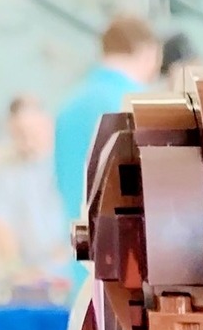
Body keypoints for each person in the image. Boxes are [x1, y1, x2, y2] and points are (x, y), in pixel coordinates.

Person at [54, 16, 162, 226]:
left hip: (79, 236)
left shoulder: (68, 107)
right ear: (148, 52)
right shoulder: (141, 105)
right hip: (131, 236)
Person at [0, 95, 71, 282]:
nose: (26, 139)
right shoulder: (6, 173)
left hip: (68, 268)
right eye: (19, 133)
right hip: (31, 275)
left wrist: (58, 262)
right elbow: (0, 222)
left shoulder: (67, 163)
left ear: (47, 124)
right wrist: (14, 267)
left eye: (31, 131)